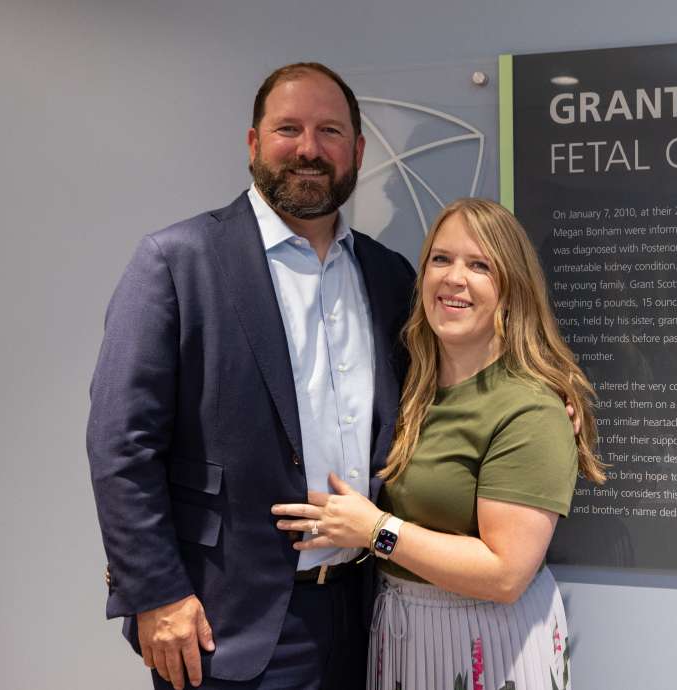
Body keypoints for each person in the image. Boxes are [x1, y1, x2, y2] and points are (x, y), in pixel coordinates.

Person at [87, 62, 416, 690]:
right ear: (253, 142)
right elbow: (120, 445)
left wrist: (540, 402)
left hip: (365, 610)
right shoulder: (176, 262)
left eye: (330, 132)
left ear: (358, 150)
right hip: (224, 621)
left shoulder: (388, 274)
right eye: (288, 128)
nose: (309, 149)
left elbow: (436, 395)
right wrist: (155, 594)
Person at [272, 198, 604, 690]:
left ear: (512, 290)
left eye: (479, 265)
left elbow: (505, 575)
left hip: (488, 647)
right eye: (441, 259)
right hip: (401, 636)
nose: (454, 278)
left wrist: (375, 530)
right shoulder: (407, 386)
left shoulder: (529, 407)